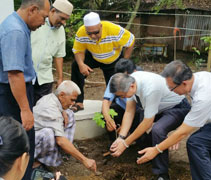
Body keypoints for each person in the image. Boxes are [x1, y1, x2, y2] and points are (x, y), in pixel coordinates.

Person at [0, 0, 50, 179]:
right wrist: (25, 109)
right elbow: (14, 74)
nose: (44, 22)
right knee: (21, 143)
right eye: (43, 17)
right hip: (12, 95)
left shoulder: (17, 25)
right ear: (33, 10)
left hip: (14, 92)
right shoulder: (15, 31)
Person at [137, 60, 211, 180]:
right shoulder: (200, 77)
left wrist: (156, 150)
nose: (171, 91)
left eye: (171, 88)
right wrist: (177, 135)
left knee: (196, 143)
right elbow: (186, 127)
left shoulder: (203, 97)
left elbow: (183, 131)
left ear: (184, 83)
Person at [109, 72, 190, 180]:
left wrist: (126, 143)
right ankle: (149, 154)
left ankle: (162, 174)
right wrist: (121, 138)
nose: (122, 98)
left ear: (132, 86)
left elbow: (148, 122)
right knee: (137, 121)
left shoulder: (150, 88)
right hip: (157, 107)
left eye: (123, 95)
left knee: (158, 130)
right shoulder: (130, 83)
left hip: (177, 107)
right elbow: (129, 112)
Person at [71, 12, 135, 112]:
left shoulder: (114, 30)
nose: (92, 36)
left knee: (116, 83)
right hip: (94, 56)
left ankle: (115, 106)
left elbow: (131, 41)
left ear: (100, 26)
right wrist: (81, 64)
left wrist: (124, 61)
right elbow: (78, 50)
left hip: (113, 59)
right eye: (89, 33)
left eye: (96, 32)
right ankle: (78, 101)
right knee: (76, 66)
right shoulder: (81, 32)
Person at [33, 80, 97, 172]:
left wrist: (63, 111)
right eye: (72, 100)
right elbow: (61, 141)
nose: (73, 103)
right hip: (30, 144)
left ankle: (63, 152)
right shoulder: (50, 110)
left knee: (69, 114)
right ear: (62, 95)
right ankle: (35, 163)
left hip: (38, 133)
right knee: (48, 134)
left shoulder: (51, 97)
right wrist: (84, 160)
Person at [31, 0, 73, 105]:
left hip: (45, 77)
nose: (64, 23)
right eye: (62, 18)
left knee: (43, 108)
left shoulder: (61, 30)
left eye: (66, 20)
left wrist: (60, 78)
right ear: (53, 11)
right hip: (27, 74)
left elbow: (59, 56)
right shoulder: (36, 22)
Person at [102, 58, 144, 143]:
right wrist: (108, 119)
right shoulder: (116, 79)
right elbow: (106, 101)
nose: (122, 81)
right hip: (122, 107)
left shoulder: (142, 79)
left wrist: (125, 126)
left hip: (137, 110)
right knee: (108, 111)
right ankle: (115, 141)